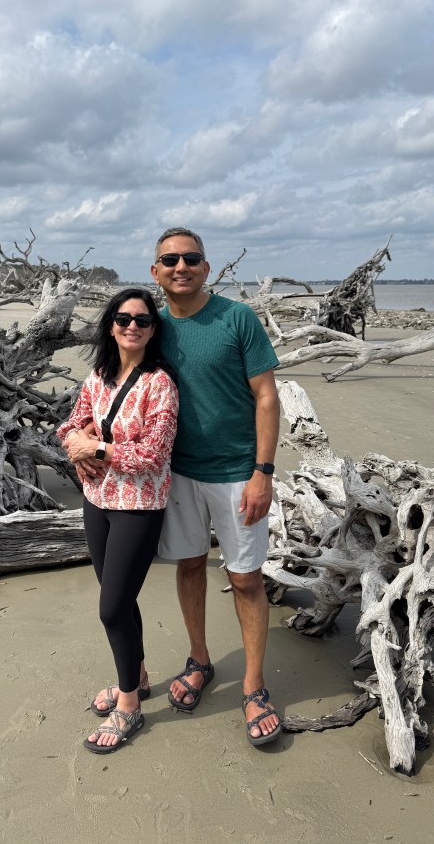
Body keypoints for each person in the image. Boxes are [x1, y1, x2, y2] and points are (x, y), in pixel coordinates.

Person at [150, 227, 282, 746]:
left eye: (191, 258)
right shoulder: (151, 326)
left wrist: (262, 472)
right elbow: (119, 383)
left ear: (207, 268)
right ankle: (199, 660)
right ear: (156, 271)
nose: (180, 267)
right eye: (170, 260)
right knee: (188, 565)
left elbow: (266, 396)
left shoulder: (237, 317)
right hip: (178, 473)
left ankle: (253, 684)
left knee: (245, 579)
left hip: (237, 473)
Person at [57, 288, 178, 754]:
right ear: (111, 326)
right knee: (121, 601)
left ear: (153, 329)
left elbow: (153, 456)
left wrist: (98, 447)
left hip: (138, 506)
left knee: (111, 609)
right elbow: (70, 425)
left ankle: (129, 704)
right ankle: (139, 676)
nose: (132, 326)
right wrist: (78, 447)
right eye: (124, 318)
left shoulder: (160, 384)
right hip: (97, 498)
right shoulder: (99, 376)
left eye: (142, 320)